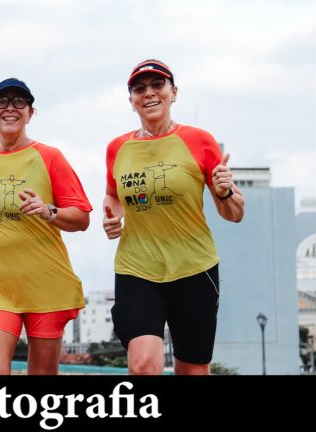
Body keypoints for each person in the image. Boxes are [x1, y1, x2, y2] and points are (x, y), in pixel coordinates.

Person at [103, 59, 245, 375]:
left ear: (173, 92)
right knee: (143, 364)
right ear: (131, 101)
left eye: (158, 85)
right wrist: (113, 216)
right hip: (137, 268)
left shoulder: (200, 140)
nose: (149, 93)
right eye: (140, 89)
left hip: (194, 268)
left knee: (192, 370)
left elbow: (235, 213)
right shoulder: (117, 148)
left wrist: (224, 192)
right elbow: (113, 195)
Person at [0, 78, 93, 375]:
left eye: (19, 102)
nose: (10, 108)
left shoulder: (49, 157)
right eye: (2, 102)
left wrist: (48, 211)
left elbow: (81, 218)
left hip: (46, 285)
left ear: (30, 113)